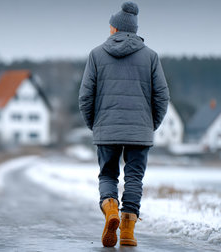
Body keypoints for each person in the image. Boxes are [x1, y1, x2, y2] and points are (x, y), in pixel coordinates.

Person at [78, 1, 169, 247]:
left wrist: (95, 124)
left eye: (110, 26)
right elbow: (162, 96)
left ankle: (110, 210)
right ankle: (127, 231)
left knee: (108, 173)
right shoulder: (151, 56)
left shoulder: (96, 55)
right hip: (140, 130)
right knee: (134, 179)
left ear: (116, 29)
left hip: (106, 128)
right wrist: (150, 125)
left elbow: (85, 96)